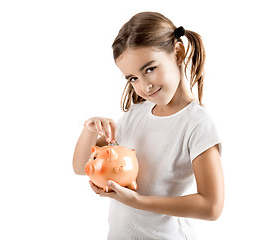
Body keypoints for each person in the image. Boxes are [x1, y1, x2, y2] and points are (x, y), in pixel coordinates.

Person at [73, 11, 224, 240]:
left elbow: (211, 206)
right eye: (133, 78)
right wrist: (89, 129)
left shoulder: (197, 124)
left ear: (178, 53)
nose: (144, 86)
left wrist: (137, 202)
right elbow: (80, 166)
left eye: (150, 69)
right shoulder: (135, 115)